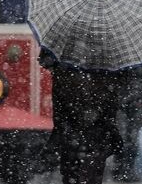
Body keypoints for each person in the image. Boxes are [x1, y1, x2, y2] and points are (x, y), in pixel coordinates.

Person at [38, 49, 124, 184]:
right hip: (94, 133)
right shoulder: (108, 57)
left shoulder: (63, 56)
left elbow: (60, 108)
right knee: (91, 172)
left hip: (72, 131)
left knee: (73, 172)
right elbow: (111, 105)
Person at [112, 64, 142, 182]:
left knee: (125, 138)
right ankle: (126, 170)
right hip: (133, 102)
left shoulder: (116, 59)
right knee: (130, 138)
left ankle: (123, 169)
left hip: (125, 101)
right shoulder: (141, 61)